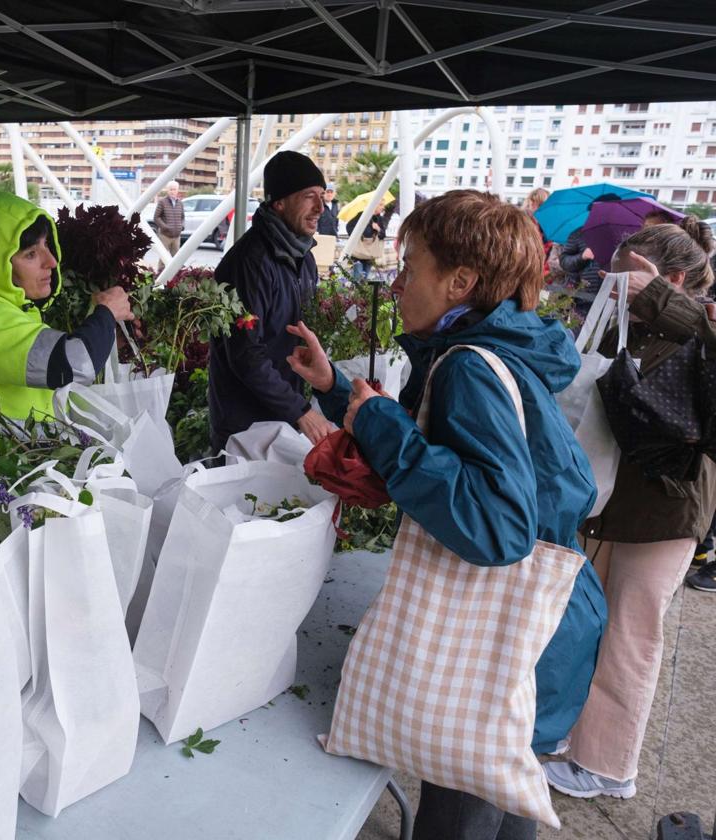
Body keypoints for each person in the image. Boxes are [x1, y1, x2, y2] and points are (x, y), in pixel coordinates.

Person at [289, 190, 605, 840]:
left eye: (412, 266)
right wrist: (342, 391)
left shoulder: (468, 369)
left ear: (460, 281)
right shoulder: (499, 350)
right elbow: (456, 447)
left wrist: (376, 421)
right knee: (503, 790)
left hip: (510, 635)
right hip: (554, 620)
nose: (398, 282)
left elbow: (496, 525)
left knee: (463, 811)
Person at [545, 219, 716, 800]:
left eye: (626, 279)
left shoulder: (697, 327)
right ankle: (575, 739)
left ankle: (609, 767)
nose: (612, 286)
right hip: (619, 502)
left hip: (666, 509)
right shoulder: (637, 325)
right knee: (595, 624)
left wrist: (664, 302)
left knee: (631, 635)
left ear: (669, 279)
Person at [0, 190, 131, 420]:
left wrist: (104, 329)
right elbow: (76, 365)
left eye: (47, 245)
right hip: (0, 455)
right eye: (30, 254)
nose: (51, 261)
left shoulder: (10, 307)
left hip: (22, 451)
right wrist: (107, 312)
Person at [207, 150, 333, 454]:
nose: (321, 207)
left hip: (283, 414)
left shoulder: (304, 259)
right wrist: (301, 410)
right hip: (244, 424)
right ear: (279, 202)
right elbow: (245, 353)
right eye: (309, 196)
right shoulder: (250, 262)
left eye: (321, 195)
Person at [153, 181, 185, 261]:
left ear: (177, 190)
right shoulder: (162, 202)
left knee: (176, 260)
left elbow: (183, 217)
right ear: (167, 190)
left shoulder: (180, 203)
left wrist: (182, 226)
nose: (172, 191)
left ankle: (176, 274)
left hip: (177, 236)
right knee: (163, 259)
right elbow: (156, 217)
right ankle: (160, 273)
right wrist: (165, 227)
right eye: (171, 189)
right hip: (165, 236)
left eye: (174, 189)